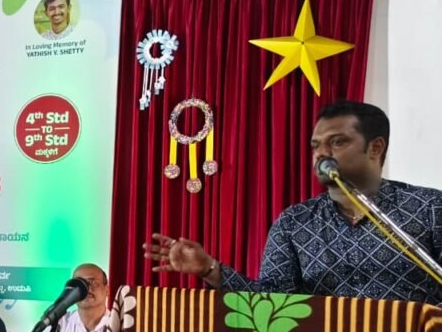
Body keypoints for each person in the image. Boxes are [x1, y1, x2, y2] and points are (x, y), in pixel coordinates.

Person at [144, 100, 442, 305]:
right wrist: (210, 269)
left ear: (375, 148)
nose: (321, 153)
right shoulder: (294, 223)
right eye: (315, 145)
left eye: (337, 142)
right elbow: (273, 302)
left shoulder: (429, 209)